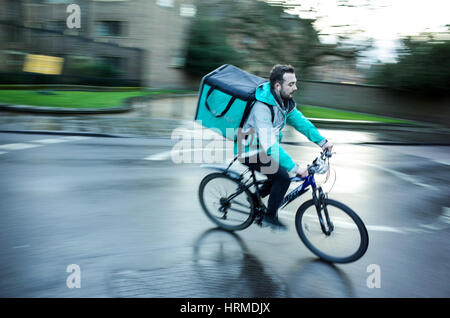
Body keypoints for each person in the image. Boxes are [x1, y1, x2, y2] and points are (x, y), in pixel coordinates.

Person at [235, 64, 333, 230]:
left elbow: (301, 123)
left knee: (278, 174)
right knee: (283, 177)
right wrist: (295, 167)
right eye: (291, 84)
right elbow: (269, 144)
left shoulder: (283, 103)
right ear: (277, 86)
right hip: (250, 150)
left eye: (295, 83)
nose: (295, 87)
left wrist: (323, 142)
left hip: (265, 148)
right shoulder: (262, 108)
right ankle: (269, 217)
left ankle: (254, 196)